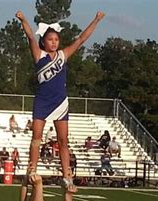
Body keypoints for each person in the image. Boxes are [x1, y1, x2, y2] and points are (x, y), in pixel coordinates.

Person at [16, 10, 105, 189]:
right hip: (42, 101)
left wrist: (96, 20)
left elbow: (81, 40)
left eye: (56, 39)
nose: (54, 42)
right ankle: (32, 170)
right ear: (44, 41)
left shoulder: (63, 55)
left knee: (63, 141)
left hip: (60, 102)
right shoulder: (39, 55)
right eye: (50, 39)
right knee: (37, 137)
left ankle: (67, 176)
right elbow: (30, 37)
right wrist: (24, 19)